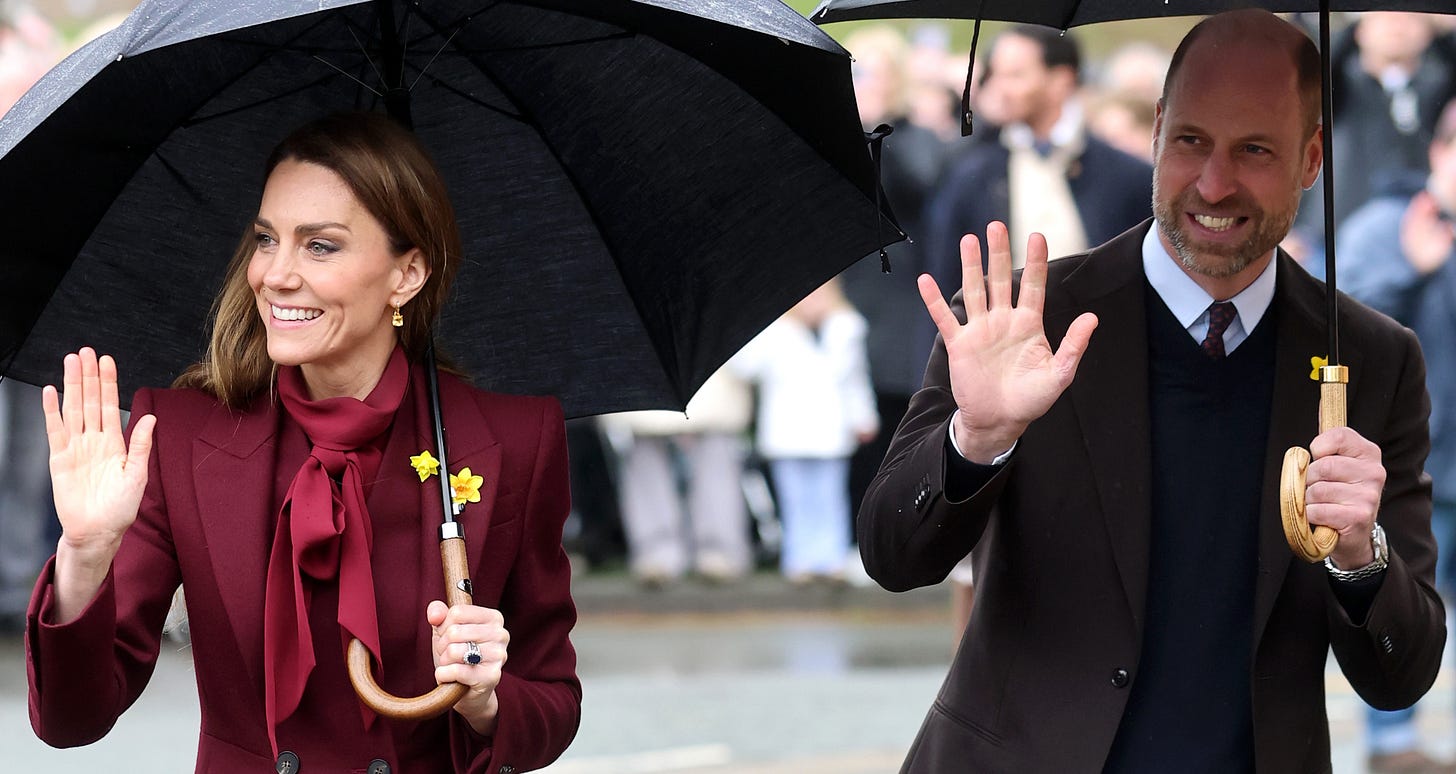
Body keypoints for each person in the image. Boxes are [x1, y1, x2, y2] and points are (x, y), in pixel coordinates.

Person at [859, 10, 1445, 772]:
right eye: (1193, 140)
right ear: (1159, 130)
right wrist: (977, 441)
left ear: (1311, 159)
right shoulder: (1026, 319)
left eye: (1255, 149)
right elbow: (892, 555)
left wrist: (1361, 556)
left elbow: (1401, 674)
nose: (1215, 182)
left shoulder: (1371, 359)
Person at [24, 113, 581, 773]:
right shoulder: (178, 435)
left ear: (407, 274)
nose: (276, 275)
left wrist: (486, 699)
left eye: (321, 246)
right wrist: (84, 559)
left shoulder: (516, 440)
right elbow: (70, 721)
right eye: (267, 239)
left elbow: (553, 708)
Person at [1338, 98, 1456, 774]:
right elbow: (1345, 335)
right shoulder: (1388, 226)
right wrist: (1413, 269)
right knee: (1400, 596)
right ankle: (1392, 745)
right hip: (1419, 462)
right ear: (1439, 151)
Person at [734, 279, 878, 583]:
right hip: (788, 433)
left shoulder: (846, 329)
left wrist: (864, 417)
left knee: (830, 497)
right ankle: (800, 559)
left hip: (830, 431)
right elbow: (746, 366)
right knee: (796, 499)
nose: (813, 303)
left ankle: (831, 557)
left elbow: (855, 381)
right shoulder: (774, 333)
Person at [599, 366, 754, 586]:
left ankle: (717, 550)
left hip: (711, 377)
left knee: (714, 462)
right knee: (648, 463)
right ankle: (658, 552)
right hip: (646, 376)